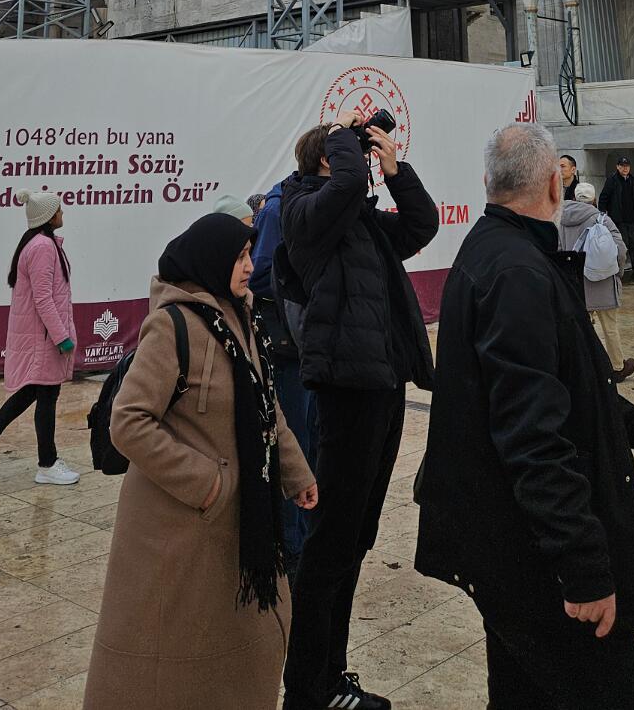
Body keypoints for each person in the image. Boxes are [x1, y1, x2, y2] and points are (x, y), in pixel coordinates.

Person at [415, 122, 634, 710]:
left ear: (489, 183)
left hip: (503, 541)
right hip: (530, 553)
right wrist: (583, 566)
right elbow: (532, 436)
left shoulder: (496, 250)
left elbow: (563, 380)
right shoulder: (517, 272)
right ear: (553, 184)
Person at [83, 212, 317, 710]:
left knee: (237, 652)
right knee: (171, 665)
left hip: (238, 523)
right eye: (240, 257)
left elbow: (266, 405)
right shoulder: (172, 327)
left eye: (250, 255)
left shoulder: (243, 317)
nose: (250, 267)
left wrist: (295, 473)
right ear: (211, 261)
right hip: (178, 533)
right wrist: (209, 484)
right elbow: (129, 421)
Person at [281, 111, 439, 710]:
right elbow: (345, 184)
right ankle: (308, 690)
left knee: (354, 538)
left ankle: (330, 676)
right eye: (345, 150)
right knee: (330, 543)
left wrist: (397, 170)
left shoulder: (361, 220)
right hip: (346, 387)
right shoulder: (302, 211)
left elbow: (421, 224)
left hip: (382, 383)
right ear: (328, 158)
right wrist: (346, 135)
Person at [0, 189, 79, 486]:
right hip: (44, 338)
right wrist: (61, 337)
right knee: (46, 396)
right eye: (59, 210)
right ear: (48, 216)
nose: (62, 213)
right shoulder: (42, 247)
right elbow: (43, 298)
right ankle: (47, 464)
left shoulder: (42, 243)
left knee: (33, 393)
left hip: (43, 335)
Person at [249, 179, 318, 584]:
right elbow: (260, 276)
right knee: (293, 444)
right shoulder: (278, 209)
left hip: (309, 347)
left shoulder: (313, 203)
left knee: (310, 443)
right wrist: (305, 277)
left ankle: (303, 534)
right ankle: (292, 545)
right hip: (287, 348)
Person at [560, 181, 634, 382]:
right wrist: (618, 272)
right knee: (609, 327)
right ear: (594, 199)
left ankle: (585, 367)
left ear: (574, 197)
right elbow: (620, 249)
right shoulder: (602, 219)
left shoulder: (561, 220)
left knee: (582, 329)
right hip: (602, 282)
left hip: (576, 285)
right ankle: (617, 367)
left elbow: (558, 250)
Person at [599, 156, 634, 285]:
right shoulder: (612, 180)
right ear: (617, 167)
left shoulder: (632, 180)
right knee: (622, 247)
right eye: (622, 166)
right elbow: (603, 197)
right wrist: (602, 214)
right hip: (618, 220)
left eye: (627, 166)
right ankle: (618, 274)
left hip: (632, 220)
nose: (625, 168)